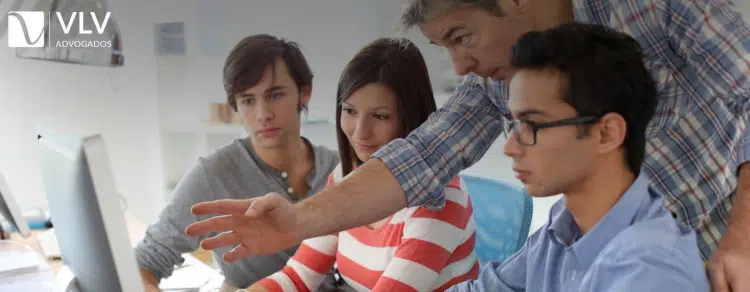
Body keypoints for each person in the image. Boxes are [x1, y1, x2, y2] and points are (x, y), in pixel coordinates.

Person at [186, 0, 750, 290]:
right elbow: (420, 157)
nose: (460, 66)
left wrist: (741, 241)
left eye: (462, 37)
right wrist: (295, 221)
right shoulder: (558, 238)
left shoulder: (653, 8)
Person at [450, 23, 707, 291]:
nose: (510, 148)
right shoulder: (565, 224)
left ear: (607, 133)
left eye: (533, 125)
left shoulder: (650, 272)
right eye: (515, 125)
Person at [236, 37, 479, 292]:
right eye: (350, 111)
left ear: (411, 117)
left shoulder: (441, 200)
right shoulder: (344, 177)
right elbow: (296, 278)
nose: (360, 132)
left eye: (380, 116)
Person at [135, 34, 339, 291]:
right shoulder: (214, 174)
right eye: (248, 101)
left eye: (275, 95)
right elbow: (144, 263)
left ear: (304, 92)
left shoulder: (340, 169)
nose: (263, 114)